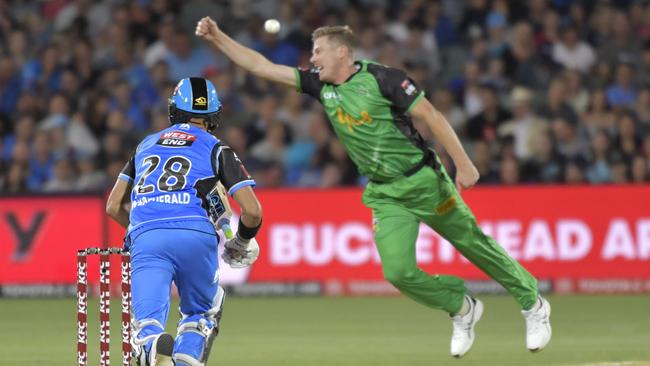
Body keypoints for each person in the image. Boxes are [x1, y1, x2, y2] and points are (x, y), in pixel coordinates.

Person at [195, 17, 552, 357]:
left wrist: (464, 162)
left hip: (425, 182)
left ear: (341, 52)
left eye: (318, 51)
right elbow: (261, 67)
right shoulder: (320, 86)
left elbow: (431, 115)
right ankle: (460, 306)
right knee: (397, 272)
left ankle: (532, 303)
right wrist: (218, 37)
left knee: (473, 244)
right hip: (385, 193)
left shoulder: (385, 79)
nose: (312, 58)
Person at [106, 77, 262, 366]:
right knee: (201, 315)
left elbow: (113, 206)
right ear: (214, 114)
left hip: (147, 237)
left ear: (173, 110)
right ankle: (184, 359)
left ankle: (150, 345)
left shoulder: (145, 145)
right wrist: (240, 241)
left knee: (147, 323)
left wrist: (140, 229)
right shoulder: (217, 148)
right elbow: (253, 212)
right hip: (195, 234)